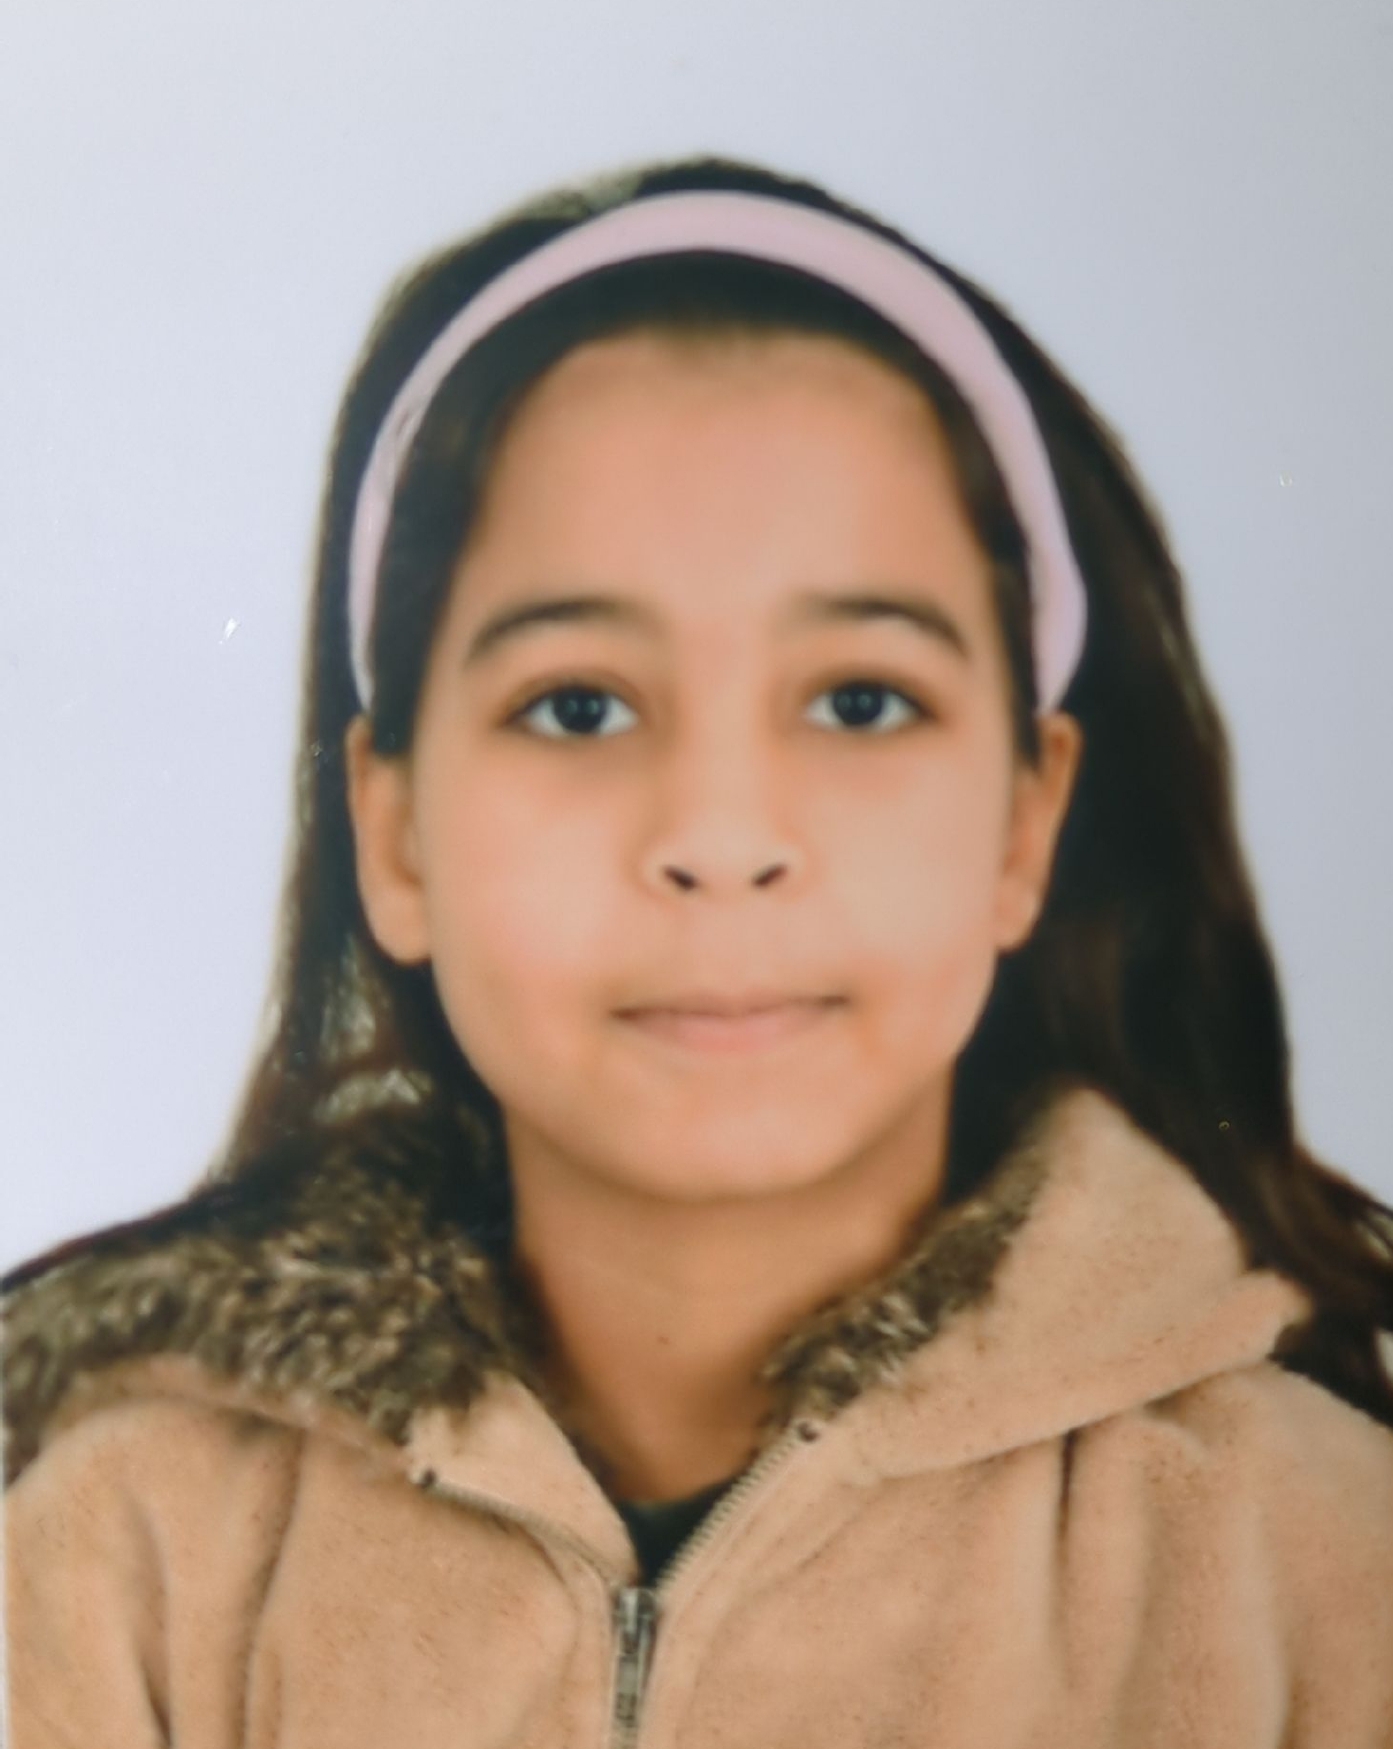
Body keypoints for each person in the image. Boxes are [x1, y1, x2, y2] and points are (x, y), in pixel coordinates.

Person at [5, 153, 1393, 1748]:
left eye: (859, 700)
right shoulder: (117, 1565)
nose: (721, 836)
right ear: (395, 835)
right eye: (577, 706)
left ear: (1025, 823)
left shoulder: (1321, 1572)